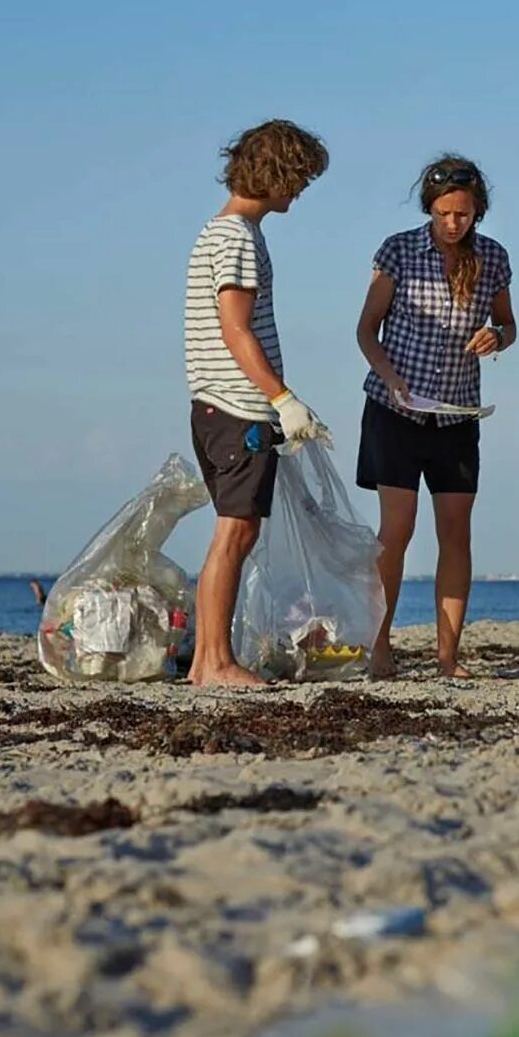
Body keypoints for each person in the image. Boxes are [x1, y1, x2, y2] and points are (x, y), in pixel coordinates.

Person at [355, 155, 517, 678]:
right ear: (430, 207)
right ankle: (379, 648)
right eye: (445, 213)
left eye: (464, 214)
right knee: (396, 530)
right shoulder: (399, 250)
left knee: (456, 531)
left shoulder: (492, 258)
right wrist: (393, 378)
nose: (454, 223)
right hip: (394, 410)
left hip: (457, 414)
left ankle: (448, 658)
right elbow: (366, 331)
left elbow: (508, 325)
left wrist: (498, 337)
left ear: (478, 213)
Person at [183, 119, 331, 687]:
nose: (301, 191)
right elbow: (236, 329)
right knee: (236, 532)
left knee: (233, 531)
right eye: (300, 179)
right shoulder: (237, 237)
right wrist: (282, 399)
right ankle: (217, 662)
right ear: (277, 175)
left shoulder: (218, 231)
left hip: (215, 404)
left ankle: (203, 662)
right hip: (238, 406)